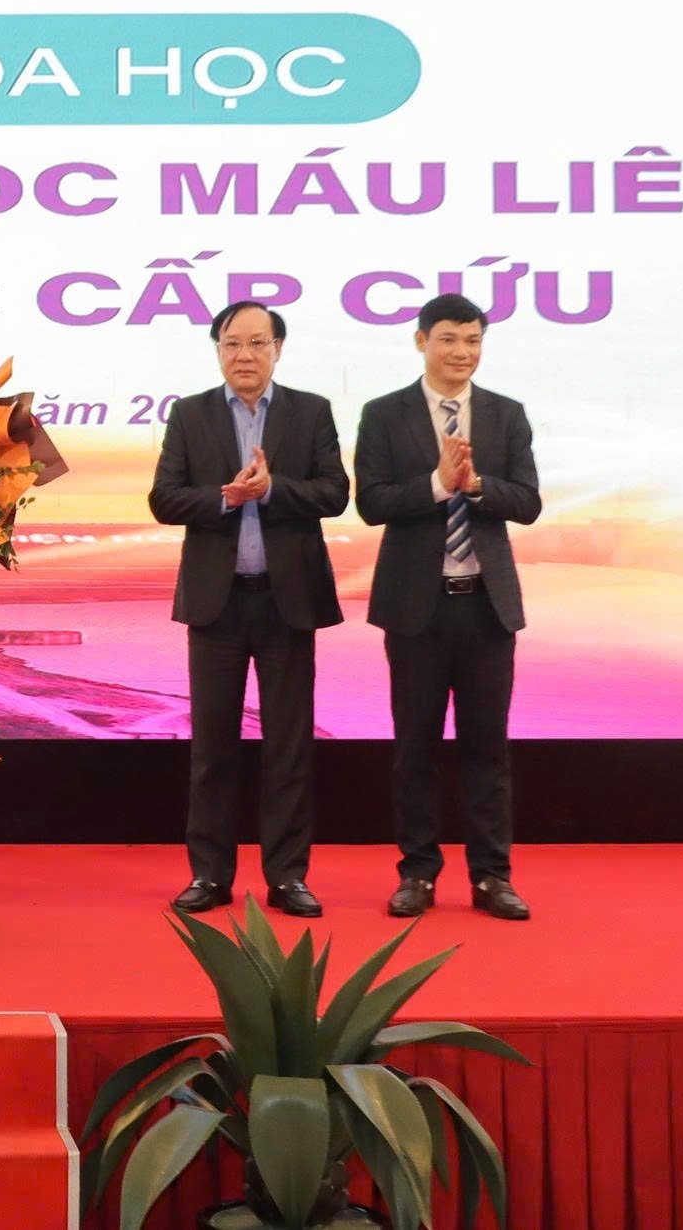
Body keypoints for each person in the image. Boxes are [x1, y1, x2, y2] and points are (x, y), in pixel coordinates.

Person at [149, 301, 350, 919]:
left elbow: (335, 493)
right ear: (218, 350)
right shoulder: (191, 414)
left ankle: (288, 877)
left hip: (288, 601)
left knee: (289, 746)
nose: (245, 355)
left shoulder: (310, 411)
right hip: (218, 603)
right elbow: (164, 499)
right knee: (213, 748)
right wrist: (227, 498)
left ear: (277, 349)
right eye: (233, 343)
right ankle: (209, 875)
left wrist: (274, 489)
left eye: (257, 343)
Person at [354, 294, 543, 922]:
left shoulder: (506, 414)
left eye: (473, 340)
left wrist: (478, 485)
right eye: (449, 340)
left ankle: (491, 876)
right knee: (415, 749)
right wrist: (438, 484)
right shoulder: (384, 414)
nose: (462, 352)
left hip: (487, 608)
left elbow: (528, 501)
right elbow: (372, 503)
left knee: (488, 749)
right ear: (421, 341)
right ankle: (417, 873)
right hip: (417, 608)